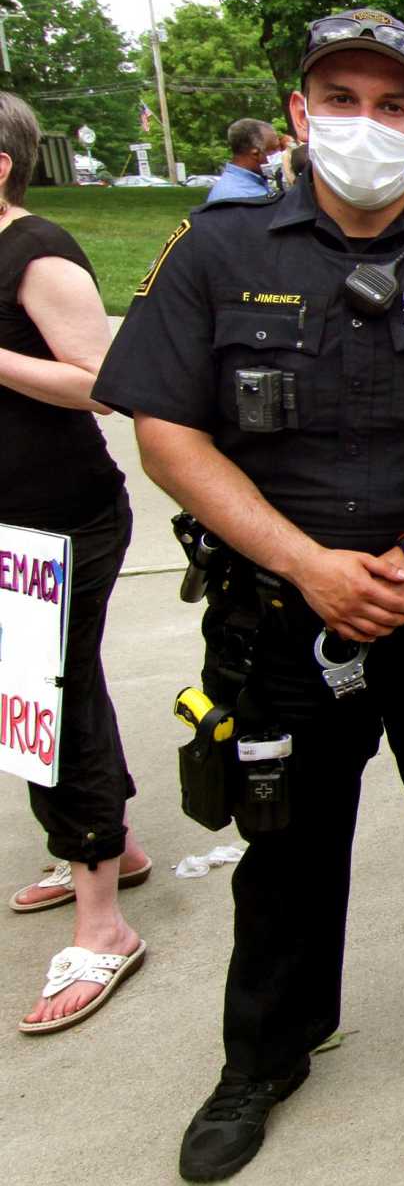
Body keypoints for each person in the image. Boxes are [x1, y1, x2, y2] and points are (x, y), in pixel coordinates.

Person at [91, 8, 404, 1182]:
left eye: (394, 104)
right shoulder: (215, 250)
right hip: (280, 618)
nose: (366, 122)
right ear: (299, 112)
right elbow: (166, 433)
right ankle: (264, 1053)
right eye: (341, 99)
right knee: (285, 850)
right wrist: (308, 563)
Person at [0, 91, 153, 1033]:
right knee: (47, 691)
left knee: (47, 698)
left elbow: (103, 384)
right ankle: (109, 847)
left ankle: (103, 923)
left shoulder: (37, 251)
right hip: (11, 525)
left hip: (58, 523)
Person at [206, 119, 283, 203]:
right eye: (274, 150)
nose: (280, 154)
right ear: (255, 154)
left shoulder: (254, 183)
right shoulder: (237, 197)